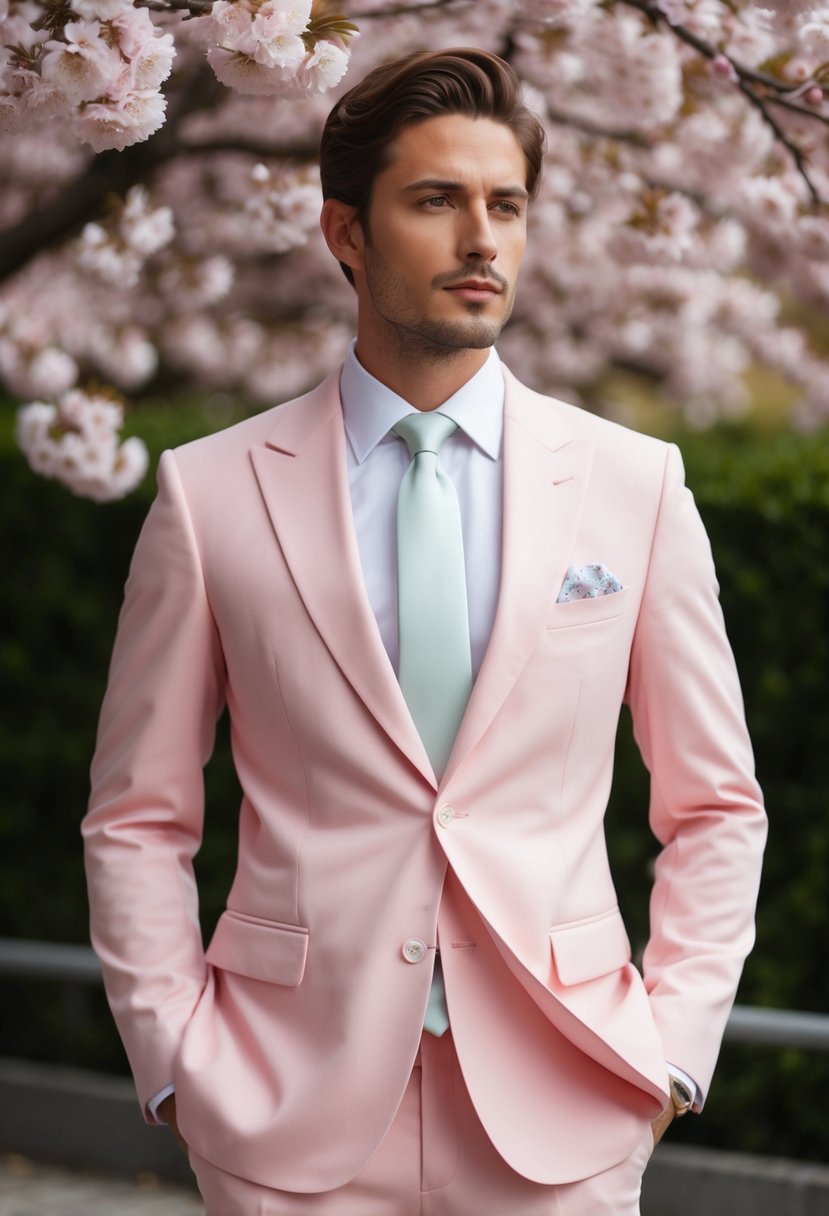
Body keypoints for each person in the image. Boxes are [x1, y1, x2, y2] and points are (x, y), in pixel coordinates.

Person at [83, 48, 767, 1216]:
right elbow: (138, 815)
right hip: (282, 1110)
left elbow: (714, 804)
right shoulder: (209, 494)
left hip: (565, 1108)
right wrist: (177, 1066)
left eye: (504, 205)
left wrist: (670, 1053)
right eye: (436, 200)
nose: (481, 240)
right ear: (344, 232)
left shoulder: (633, 484)